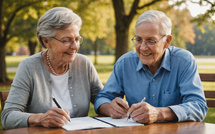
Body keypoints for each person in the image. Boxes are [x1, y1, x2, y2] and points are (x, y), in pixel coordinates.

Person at [94, 10, 208, 124]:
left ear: (167, 41)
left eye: (151, 41)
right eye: (138, 40)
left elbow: (198, 106)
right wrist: (110, 108)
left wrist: (159, 113)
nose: (143, 48)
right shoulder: (124, 63)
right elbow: (102, 99)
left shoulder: (184, 61)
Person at [1, 7, 103, 129]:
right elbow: (7, 116)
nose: (75, 46)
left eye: (77, 39)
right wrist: (40, 118)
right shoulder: (29, 67)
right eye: (66, 40)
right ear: (46, 41)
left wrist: (112, 107)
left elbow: (101, 100)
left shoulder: (84, 64)